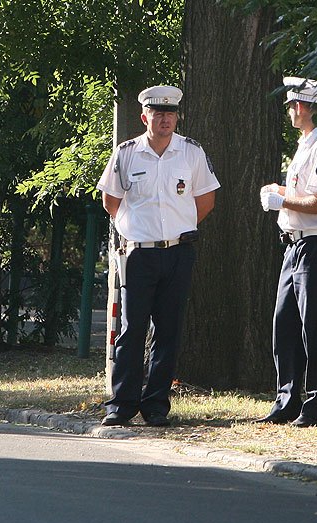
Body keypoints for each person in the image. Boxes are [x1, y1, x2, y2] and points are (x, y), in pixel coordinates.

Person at [96, 85, 220, 427]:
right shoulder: (126, 153)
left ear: (177, 117)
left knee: (168, 332)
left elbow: (206, 200)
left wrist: (178, 227)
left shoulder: (191, 152)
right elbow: (111, 200)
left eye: (170, 113)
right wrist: (135, 228)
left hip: (178, 252)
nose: (164, 119)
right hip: (138, 255)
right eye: (157, 113)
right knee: (131, 330)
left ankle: (155, 406)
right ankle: (120, 405)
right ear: (144, 116)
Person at [256, 77, 317, 427]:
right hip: (296, 244)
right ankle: (287, 400)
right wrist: (282, 190)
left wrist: (281, 199)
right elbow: (305, 192)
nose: (292, 110)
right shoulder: (305, 145)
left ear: (311, 107)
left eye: (297, 104)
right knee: (285, 325)